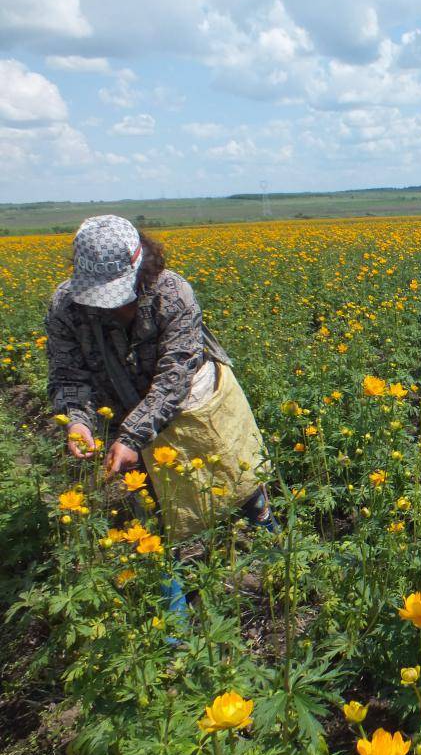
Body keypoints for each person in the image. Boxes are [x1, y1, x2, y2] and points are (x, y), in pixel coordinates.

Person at [46, 216, 275, 542]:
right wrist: (78, 422)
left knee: (239, 483)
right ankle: (171, 579)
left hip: (191, 408)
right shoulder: (65, 307)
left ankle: (280, 556)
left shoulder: (172, 294)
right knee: (155, 514)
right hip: (121, 412)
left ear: (141, 266)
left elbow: (174, 376)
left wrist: (132, 437)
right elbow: (67, 374)